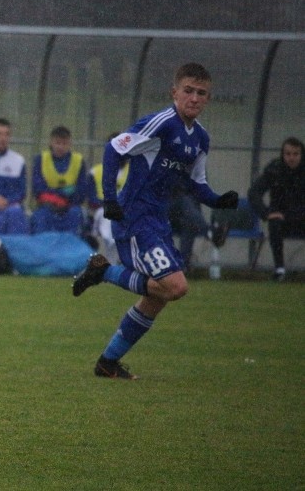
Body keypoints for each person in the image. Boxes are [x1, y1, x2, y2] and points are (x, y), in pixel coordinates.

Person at [72, 62, 239, 380]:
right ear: (174, 92)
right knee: (175, 286)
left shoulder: (201, 138)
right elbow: (113, 149)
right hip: (135, 218)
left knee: (159, 296)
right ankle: (106, 272)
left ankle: (108, 362)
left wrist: (217, 200)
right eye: (188, 91)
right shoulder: (161, 123)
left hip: (157, 222)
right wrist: (110, 198)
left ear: (208, 98)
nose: (194, 98)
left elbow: (195, 183)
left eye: (201, 93)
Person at [248, 136, 305, 281]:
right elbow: (254, 192)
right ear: (283, 154)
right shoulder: (274, 169)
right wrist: (266, 213)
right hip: (281, 218)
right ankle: (279, 269)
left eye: (296, 154)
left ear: (301, 154)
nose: (291, 158)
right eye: (288, 154)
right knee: (275, 225)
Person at [30, 125, 88, 235]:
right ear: (51, 142)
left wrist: (63, 200)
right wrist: (62, 195)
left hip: (71, 206)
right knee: (41, 217)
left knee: (76, 214)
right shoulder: (40, 159)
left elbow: (81, 191)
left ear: (70, 144)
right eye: (57, 143)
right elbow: (38, 189)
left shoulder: (79, 161)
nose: (60, 147)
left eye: (64, 143)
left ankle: (72, 250)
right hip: (47, 206)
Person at [87, 132, 129, 263]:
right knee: (107, 217)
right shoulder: (95, 171)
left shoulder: (134, 170)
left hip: (126, 211)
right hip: (100, 210)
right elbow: (91, 197)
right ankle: (110, 258)